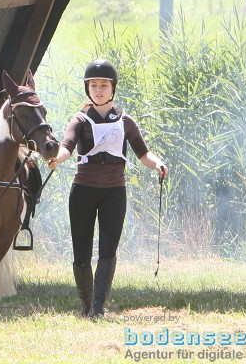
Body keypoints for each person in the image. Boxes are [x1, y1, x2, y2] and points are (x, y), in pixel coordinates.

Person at [50, 58, 168, 318]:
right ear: (88, 89)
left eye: (104, 85)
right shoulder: (80, 119)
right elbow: (66, 147)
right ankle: (86, 305)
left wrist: (158, 163)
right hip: (83, 192)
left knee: (108, 250)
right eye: (94, 85)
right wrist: (55, 158)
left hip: (114, 192)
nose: (99, 90)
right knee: (82, 252)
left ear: (112, 88)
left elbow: (143, 153)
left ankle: (98, 308)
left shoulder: (126, 121)